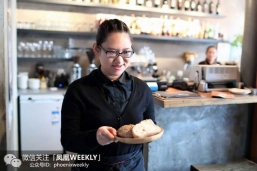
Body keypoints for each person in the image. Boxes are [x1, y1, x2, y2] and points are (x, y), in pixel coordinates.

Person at [61, 19, 155, 171]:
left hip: (133, 166)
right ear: (97, 50)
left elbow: (150, 129)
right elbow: (68, 141)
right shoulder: (78, 90)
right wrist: (95, 137)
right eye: (111, 52)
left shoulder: (142, 89)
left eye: (126, 52)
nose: (119, 60)